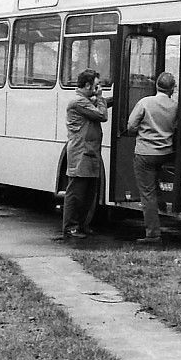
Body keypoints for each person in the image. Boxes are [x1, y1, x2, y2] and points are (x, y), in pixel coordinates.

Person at [57, 68, 110, 240]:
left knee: (89, 193)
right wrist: (100, 97)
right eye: (96, 85)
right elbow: (101, 115)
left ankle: (82, 224)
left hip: (90, 151)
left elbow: (99, 105)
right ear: (87, 85)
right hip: (81, 152)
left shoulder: (86, 101)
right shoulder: (78, 102)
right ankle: (70, 227)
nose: (98, 88)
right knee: (76, 192)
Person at [126, 71, 179, 244]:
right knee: (155, 179)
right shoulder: (175, 107)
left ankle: (153, 234)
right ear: (172, 89)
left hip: (145, 153)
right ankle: (162, 201)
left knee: (147, 194)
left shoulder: (145, 103)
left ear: (156, 86)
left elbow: (131, 125)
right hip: (166, 153)